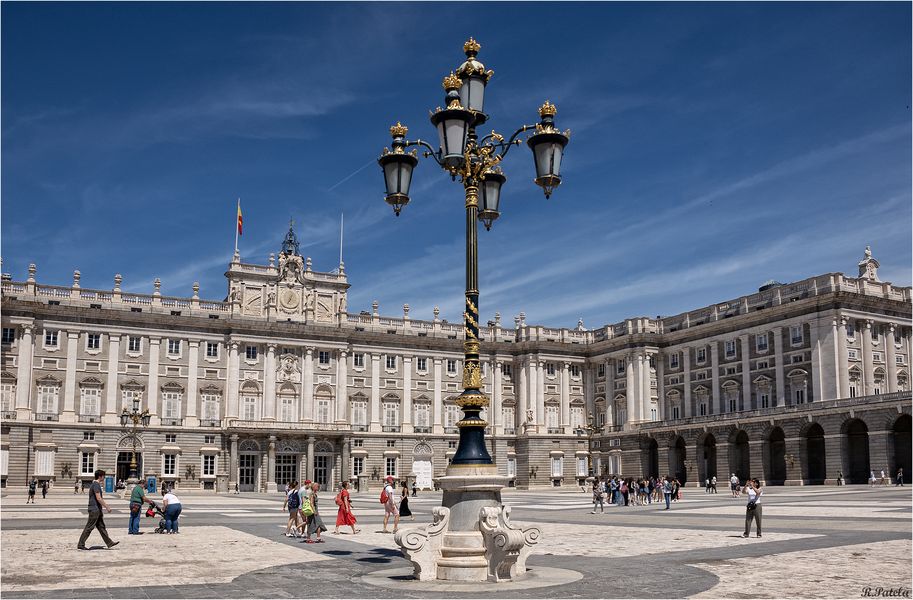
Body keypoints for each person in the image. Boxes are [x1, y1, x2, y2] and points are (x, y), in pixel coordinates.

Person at [77, 469, 119, 550]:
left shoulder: (96, 484)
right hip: (94, 509)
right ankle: (81, 544)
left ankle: (109, 542)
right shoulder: (96, 485)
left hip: (97, 509)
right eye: (103, 476)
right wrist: (107, 507)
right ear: (100, 476)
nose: (104, 478)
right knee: (89, 527)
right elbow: (98, 498)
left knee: (101, 527)